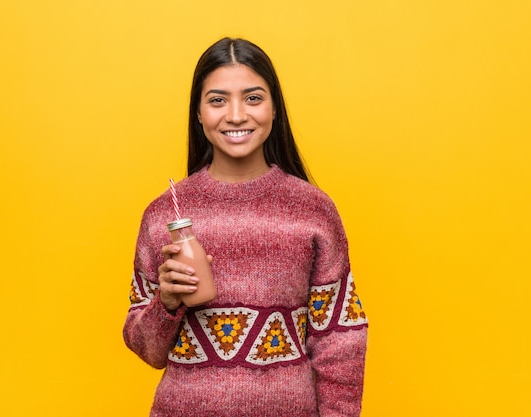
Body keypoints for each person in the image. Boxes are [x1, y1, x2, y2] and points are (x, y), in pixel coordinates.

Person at [123, 37, 368, 417]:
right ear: (198, 114)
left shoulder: (313, 211)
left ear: (275, 111)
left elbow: (341, 341)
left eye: (253, 98)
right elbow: (147, 351)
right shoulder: (163, 216)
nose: (236, 115)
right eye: (217, 100)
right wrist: (165, 304)